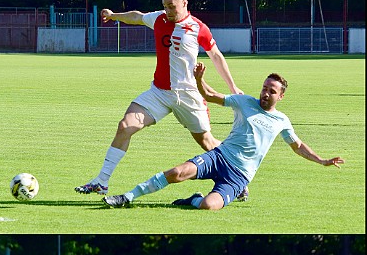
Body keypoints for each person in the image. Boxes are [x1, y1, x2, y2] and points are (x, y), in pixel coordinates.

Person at [74, 0, 247, 200]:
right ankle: (101, 182)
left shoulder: (198, 28)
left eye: (172, 7)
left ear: (184, 3)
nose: (167, 11)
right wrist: (113, 15)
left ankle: (237, 175)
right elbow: (137, 17)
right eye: (165, 6)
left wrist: (232, 87)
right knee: (125, 126)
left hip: (188, 96)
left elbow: (216, 56)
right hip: (159, 93)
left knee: (207, 142)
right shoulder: (159, 19)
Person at [102, 63, 345, 210]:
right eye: (264, 88)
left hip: (240, 176)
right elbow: (210, 95)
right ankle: (129, 196)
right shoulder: (244, 102)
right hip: (219, 156)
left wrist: (322, 160)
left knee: (210, 205)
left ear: (280, 96)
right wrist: (199, 79)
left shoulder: (281, 121)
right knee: (177, 173)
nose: (265, 93)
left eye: (271, 91)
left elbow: (298, 146)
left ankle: (194, 200)